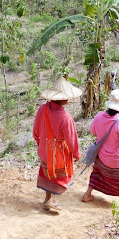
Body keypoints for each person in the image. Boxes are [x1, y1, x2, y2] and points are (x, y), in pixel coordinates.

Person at [33, 77, 81, 213]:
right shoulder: (66, 118)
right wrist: (76, 154)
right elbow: (72, 140)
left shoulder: (42, 109)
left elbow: (36, 132)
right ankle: (52, 200)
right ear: (64, 99)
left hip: (44, 150)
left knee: (49, 175)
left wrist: (41, 144)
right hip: (59, 154)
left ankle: (46, 200)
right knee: (63, 178)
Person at [81, 89, 119, 209]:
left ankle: (87, 194)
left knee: (96, 173)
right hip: (115, 159)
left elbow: (93, 131)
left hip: (100, 155)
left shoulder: (99, 115)